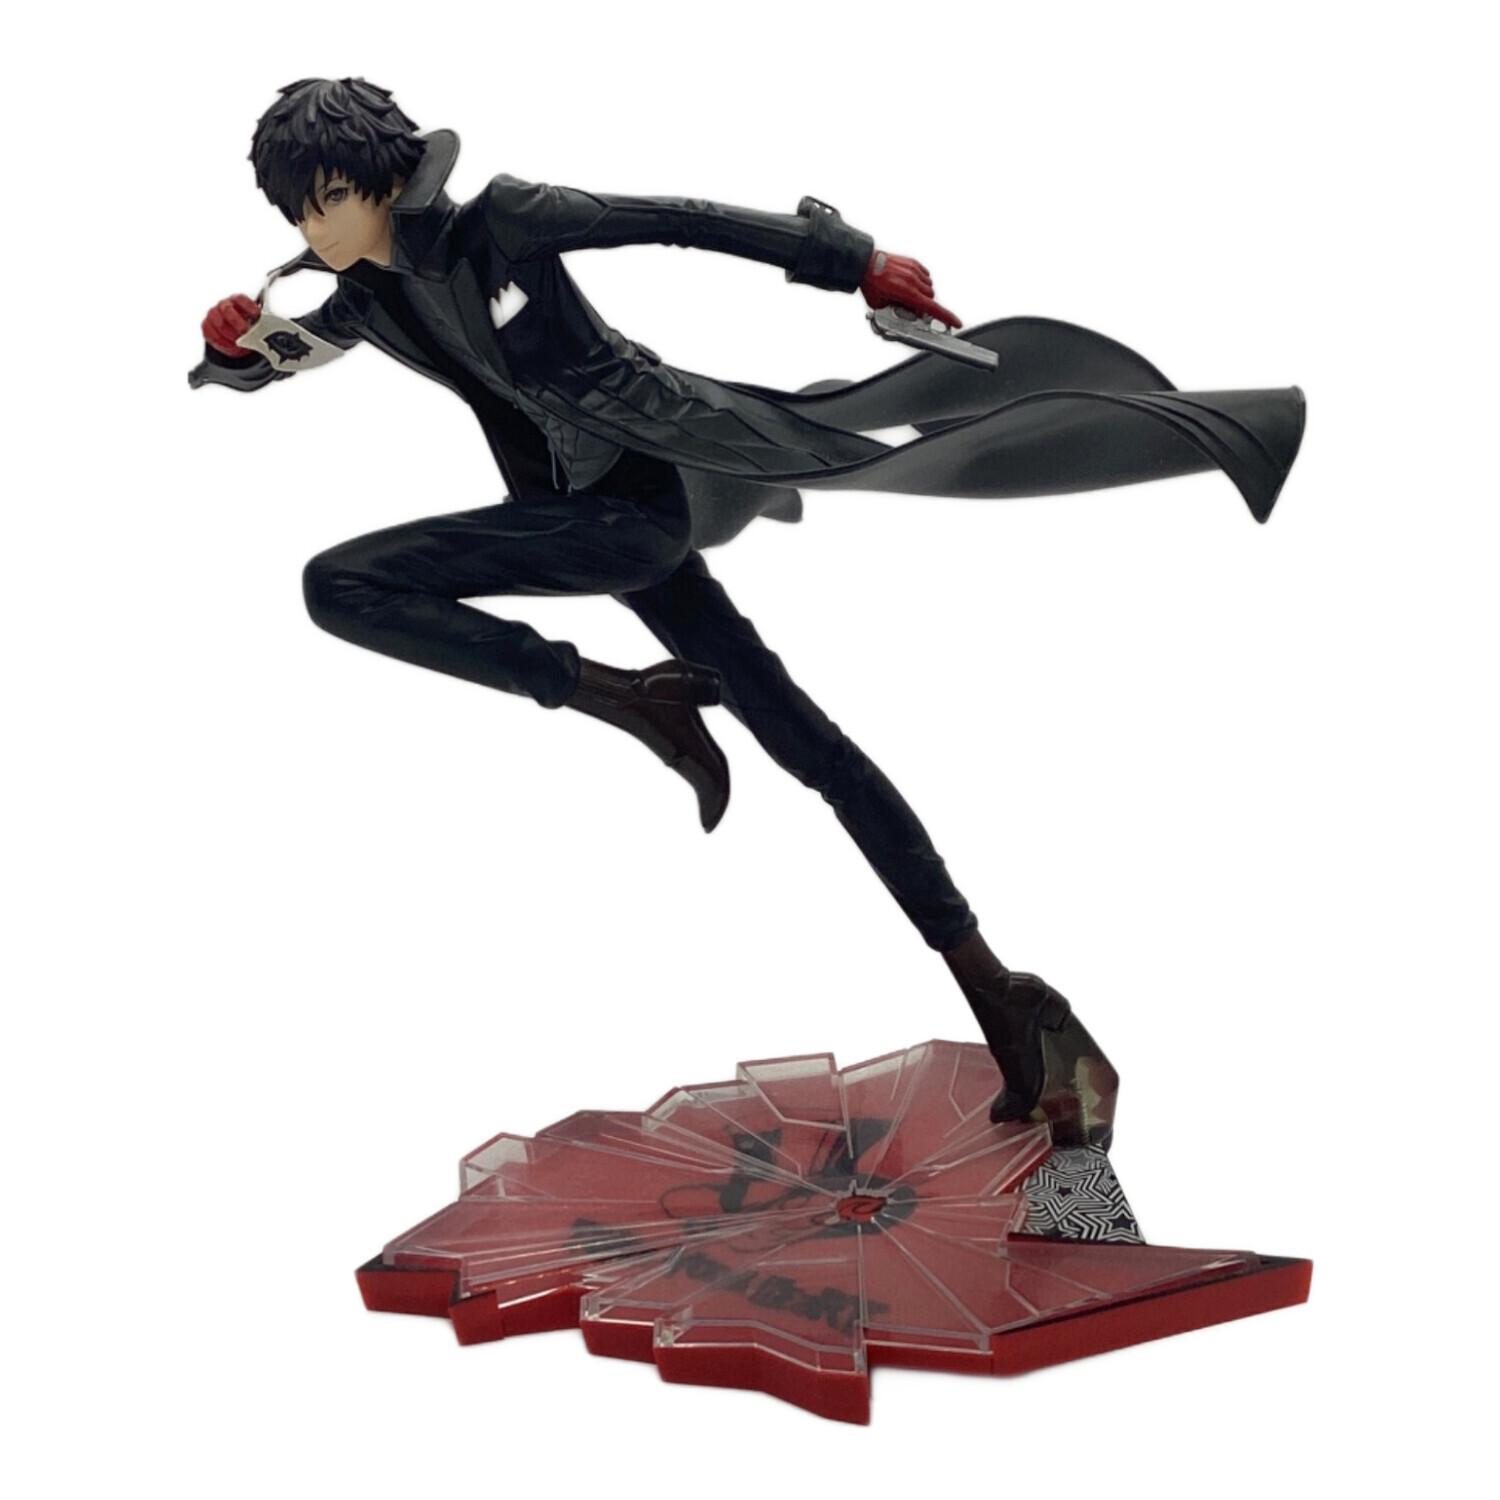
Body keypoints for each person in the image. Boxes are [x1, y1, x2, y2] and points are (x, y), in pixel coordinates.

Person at [193, 78, 1303, 1149]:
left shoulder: (506, 223)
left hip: (640, 507)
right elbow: (279, 355)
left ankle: (631, 701)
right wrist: (233, 349)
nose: (311, 228)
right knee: (807, 743)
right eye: (296, 212)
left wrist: (854, 260)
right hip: (576, 520)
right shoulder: (368, 295)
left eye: (325, 200)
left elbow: (679, 220)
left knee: (340, 581)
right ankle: (1005, 997)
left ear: (383, 180)